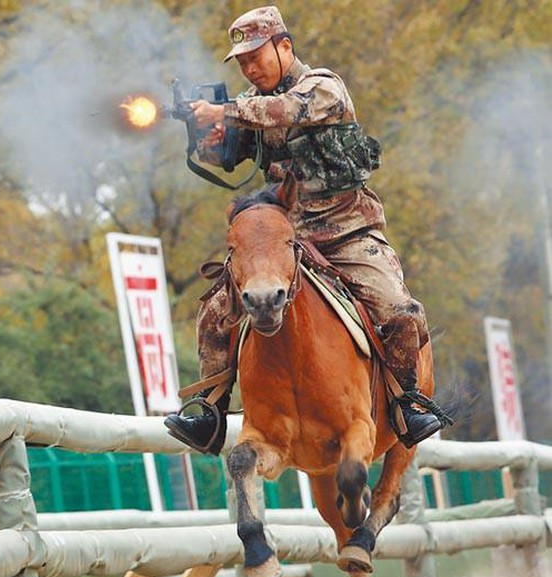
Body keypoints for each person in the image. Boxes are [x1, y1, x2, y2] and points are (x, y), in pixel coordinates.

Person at [164, 5, 450, 453]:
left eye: (256, 55)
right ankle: (210, 410)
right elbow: (228, 155)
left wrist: (226, 111)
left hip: (348, 230)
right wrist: (204, 134)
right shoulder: (249, 108)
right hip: (286, 237)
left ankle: (405, 405)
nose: (250, 67)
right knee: (217, 308)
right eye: (241, 61)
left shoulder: (321, 86)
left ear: (284, 46)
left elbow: (286, 111)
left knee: (399, 310)